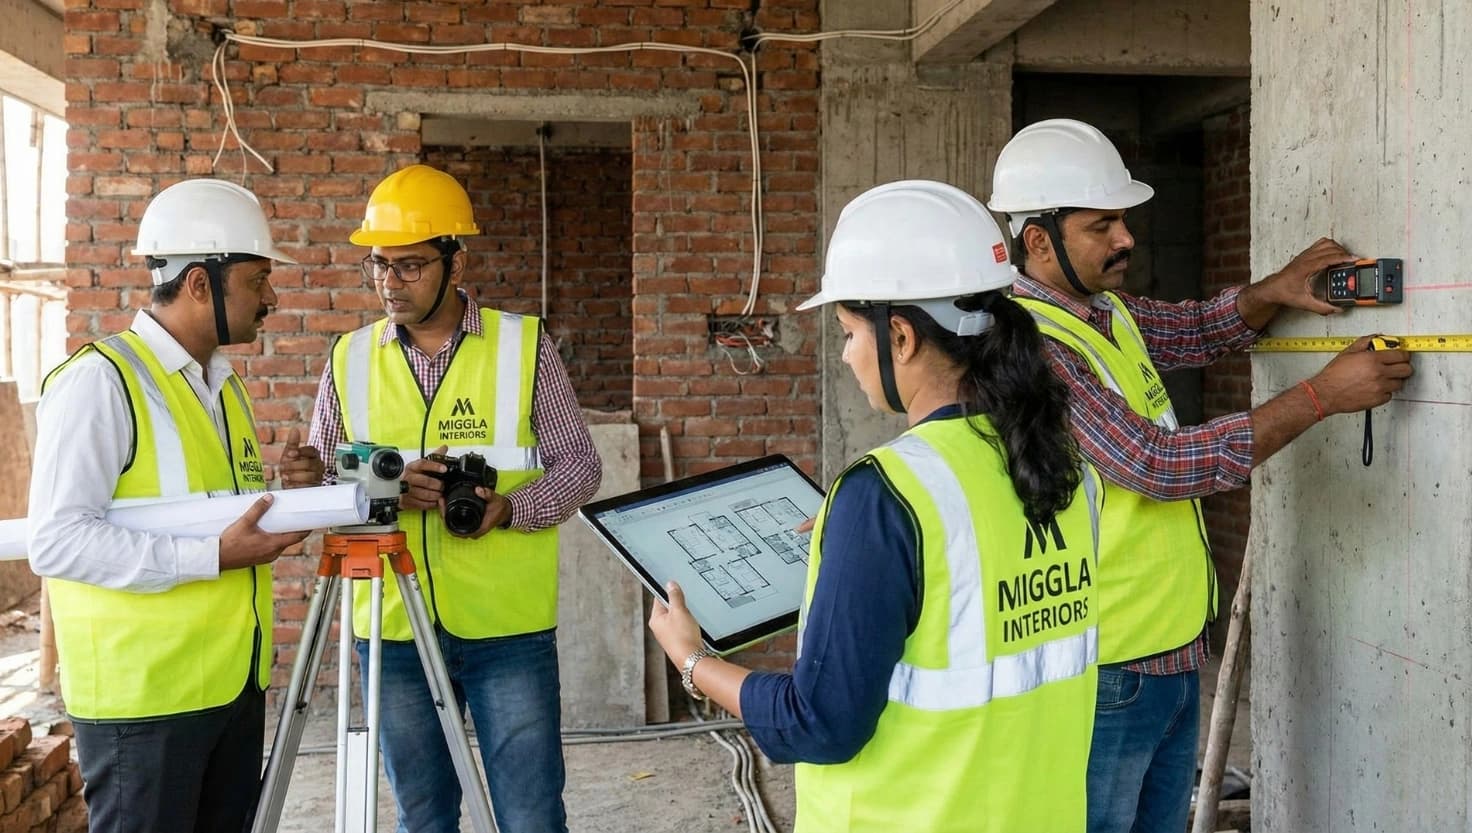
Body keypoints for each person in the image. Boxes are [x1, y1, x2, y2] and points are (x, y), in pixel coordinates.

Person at [987, 118, 1414, 833]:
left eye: (1124, 220)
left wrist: (1275, 288)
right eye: (1104, 225)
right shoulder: (1032, 345)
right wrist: (1320, 396)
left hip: (1172, 648)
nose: (1127, 239)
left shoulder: (1104, 313)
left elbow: (1193, 328)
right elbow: (1157, 463)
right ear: (1038, 240)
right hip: (1109, 665)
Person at [648, 179, 1102, 833]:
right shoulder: (1062, 462)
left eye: (849, 332)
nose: (845, 354)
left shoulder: (889, 494)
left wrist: (694, 661)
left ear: (901, 337)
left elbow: (821, 721)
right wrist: (863, 548)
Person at [306, 163, 601, 833]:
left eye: (409, 266)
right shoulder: (347, 358)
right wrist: (385, 487)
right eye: (380, 265)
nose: (390, 282)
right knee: (424, 816)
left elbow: (579, 464)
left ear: (455, 260)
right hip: (392, 629)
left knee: (529, 815)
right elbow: (321, 481)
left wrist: (511, 507)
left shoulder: (525, 346)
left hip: (507, 628)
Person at [26, 178, 322, 833]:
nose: (271, 297)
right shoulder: (100, 384)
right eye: (258, 280)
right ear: (198, 283)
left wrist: (293, 503)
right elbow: (57, 540)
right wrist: (214, 555)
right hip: (145, 706)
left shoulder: (223, 387)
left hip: (230, 690)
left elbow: (217, 511)